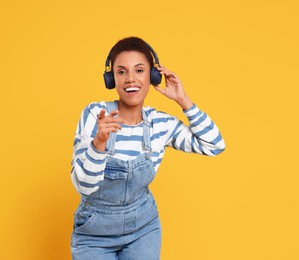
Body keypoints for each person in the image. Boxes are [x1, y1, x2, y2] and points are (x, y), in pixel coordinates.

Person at [70, 36, 225, 260]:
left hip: (143, 230)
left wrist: (184, 101)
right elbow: (83, 186)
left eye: (140, 70)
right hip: (95, 235)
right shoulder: (96, 114)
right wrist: (99, 142)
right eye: (121, 72)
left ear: (152, 76)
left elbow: (215, 145)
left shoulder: (160, 124)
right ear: (111, 78)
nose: (130, 79)